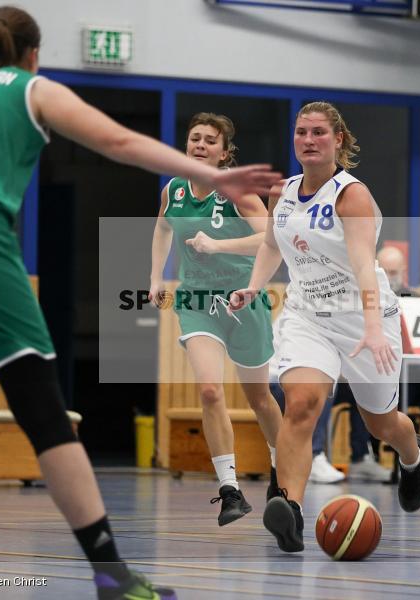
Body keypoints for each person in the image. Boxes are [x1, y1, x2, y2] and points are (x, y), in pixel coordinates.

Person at [0, 6, 280, 600]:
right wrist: (208, 175)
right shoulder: (29, 87)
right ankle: (111, 573)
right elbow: (116, 140)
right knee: (44, 412)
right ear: (32, 54)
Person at [231, 101, 420, 553]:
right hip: (306, 315)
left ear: (338, 140)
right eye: (301, 132)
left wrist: (376, 326)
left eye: (319, 132)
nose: (308, 140)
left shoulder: (351, 195)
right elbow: (270, 245)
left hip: (363, 316)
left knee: (381, 424)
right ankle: (291, 510)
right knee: (300, 403)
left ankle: (413, 456)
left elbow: (363, 265)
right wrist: (253, 288)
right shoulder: (281, 191)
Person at [149, 113, 283, 525]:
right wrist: (155, 276)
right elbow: (162, 228)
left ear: (225, 152)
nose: (201, 145)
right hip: (196, 301)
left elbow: (270, 238)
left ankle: (284, 469)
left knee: (259, 398)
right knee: (209, 390)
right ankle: (230, 489)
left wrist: (215, 244)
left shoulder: (237, 190)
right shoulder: (173, 189)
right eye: (195, 138)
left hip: (243, 300)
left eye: (210, 140)